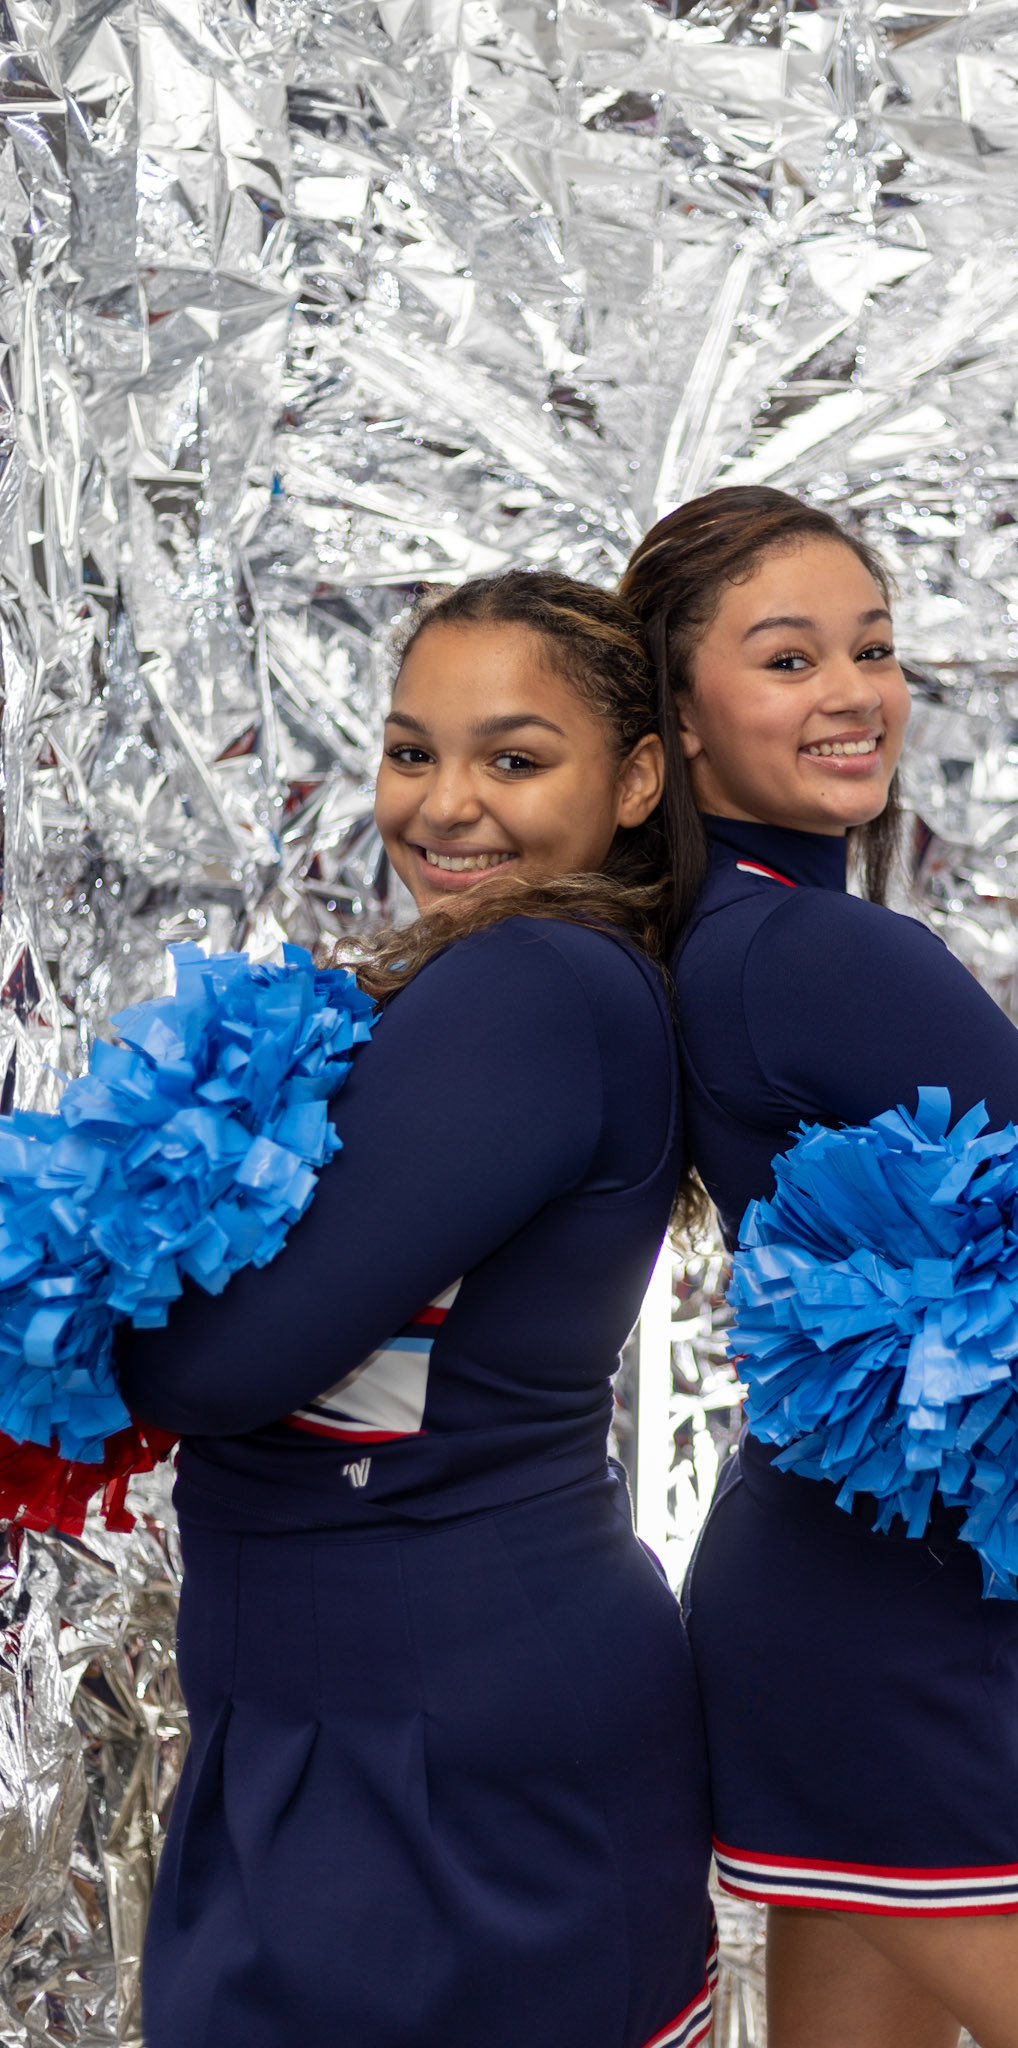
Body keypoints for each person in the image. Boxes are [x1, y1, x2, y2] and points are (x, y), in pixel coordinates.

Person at [620, 488, 1018, 2048]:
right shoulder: (818, 952)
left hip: (852, 1607)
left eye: (874, 647)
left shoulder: (725, 936)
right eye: (787, 660)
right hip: (899, 1644)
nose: (851, 692)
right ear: (677, 726)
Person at [118, 572, 716, 2048]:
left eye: (514, 760)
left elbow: (211, 1363)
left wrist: (97, 1270)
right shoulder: (517, 981)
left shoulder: (530, 984)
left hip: (431, 1731)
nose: (445, 806)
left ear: (637, 779)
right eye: (409, 752)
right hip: (388, 1703)